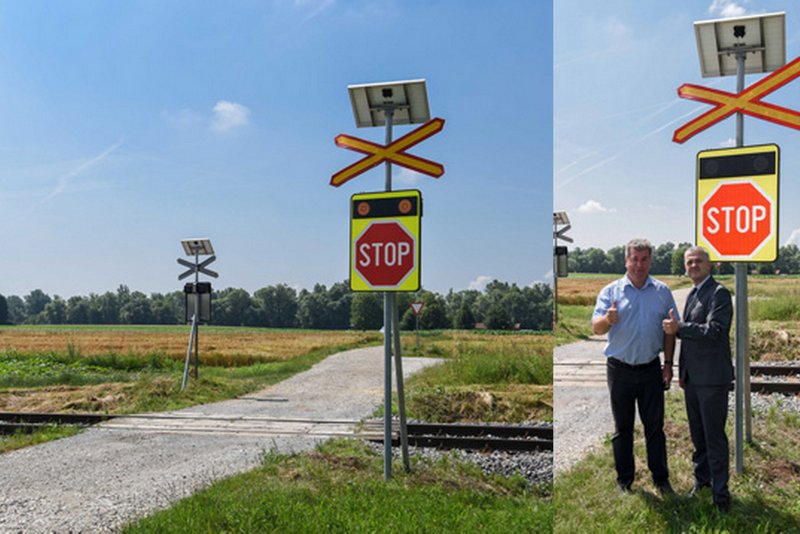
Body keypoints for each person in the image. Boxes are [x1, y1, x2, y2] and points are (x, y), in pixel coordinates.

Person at [592, 238, 678, 495]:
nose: (639, 265)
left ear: (650, 261)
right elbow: (595, 327)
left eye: (644, 259)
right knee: (623, 428)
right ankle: (624, 480)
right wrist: (608, 319)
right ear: (626, 261)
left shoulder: (662, 292)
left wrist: (668, 364)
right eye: (634, 259)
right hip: (619, 370)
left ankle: (661, 479)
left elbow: (670, 331)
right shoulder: (611, 291)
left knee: (655, 428)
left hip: (651, 368)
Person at [662, 246, 733, 512]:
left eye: (698, 261)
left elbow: (715, 330)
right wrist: (683, 373)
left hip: (713, 379)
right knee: (698, 436)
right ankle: (702, 482)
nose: (693, 265)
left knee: (714, 437)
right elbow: (690, 339)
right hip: (694, 380)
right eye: (689, 262)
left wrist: (680, 328)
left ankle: (721, 494)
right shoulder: (693, 293)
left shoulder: (719, 293)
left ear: (709, 265)